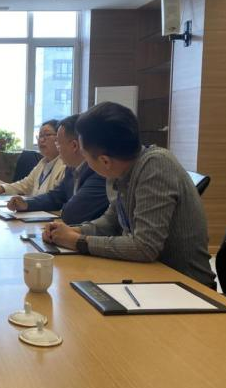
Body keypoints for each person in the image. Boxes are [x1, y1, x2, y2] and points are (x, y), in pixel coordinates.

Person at [43, 102, 216, 288]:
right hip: (149, 277)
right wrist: (72, 231)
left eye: (85, 156)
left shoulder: (155, 166)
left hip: (186, 286)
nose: (84, 162)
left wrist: (79, 242)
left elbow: (145, 247)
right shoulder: (123, 170)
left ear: (105, 161)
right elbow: (111, 222)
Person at [6, 114, 108, 225]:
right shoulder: (71, 168)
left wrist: (63, 207)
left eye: (58, 144)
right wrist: (27, 204)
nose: (58, 150)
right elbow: (55, 197)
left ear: (74, 146)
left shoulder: (98, 172)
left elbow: (72, 213)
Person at [0, 119, 66, 196]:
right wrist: (2, 188)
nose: (41, 140)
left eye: (47, 135)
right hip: (35, 205)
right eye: (40, 136)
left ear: (59, 137)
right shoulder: (42, 163)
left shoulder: (65, 166)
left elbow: (57, 199)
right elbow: (25, 184)